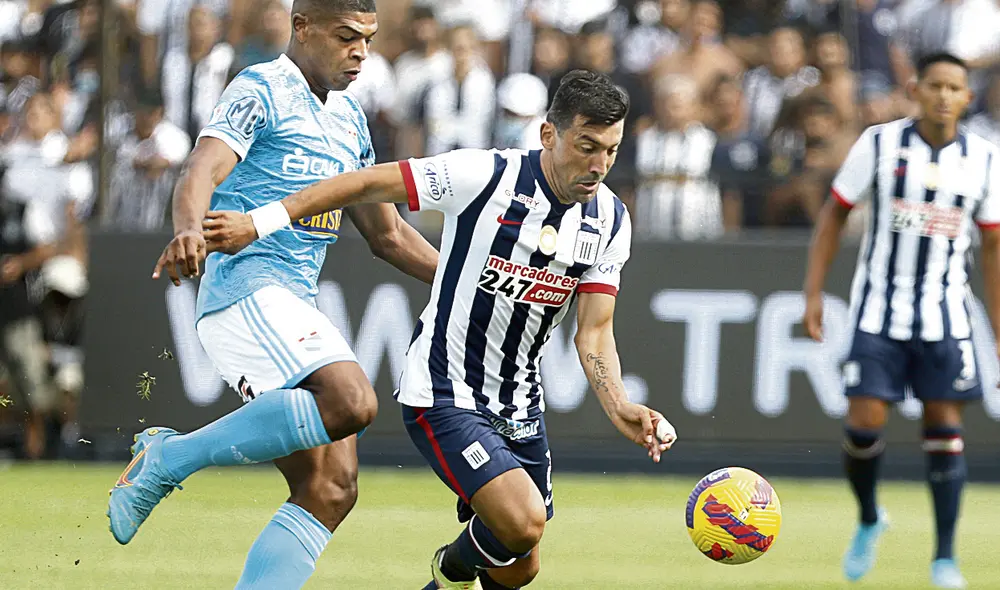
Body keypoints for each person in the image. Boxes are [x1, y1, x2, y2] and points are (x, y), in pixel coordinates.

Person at [201, 69, 678, 590]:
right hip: (444, 389)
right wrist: (261, 221)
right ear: (549, 134)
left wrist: (620, 406)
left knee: (520, 566)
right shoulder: (484, 176)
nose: (599, 165)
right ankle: (450, 569)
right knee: (521, 522)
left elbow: (594, 332)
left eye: (611, 150)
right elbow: (362, 183)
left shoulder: (609, 220)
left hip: (520, 403)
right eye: (587, 147)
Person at [106, 2, 439, 589]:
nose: (360, 52)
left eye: (369, 39)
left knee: (332, 487)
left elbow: (387, 235)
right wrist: (189, 227)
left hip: (292, 304)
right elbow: (200, 170)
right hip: (244, 292)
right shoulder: (261, 87)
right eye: (346, 37)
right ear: (303, 26)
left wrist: (470, 281)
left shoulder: (352, 121)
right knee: (353, 402)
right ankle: (168, 459)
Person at [802, 53, 1000, 590]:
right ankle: (869, 517)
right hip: (878, 311)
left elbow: (994, 247)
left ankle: (944, 559)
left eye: (954, 87)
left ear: (967, 97)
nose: (943, 95)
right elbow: (835, 212)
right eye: (934, 85)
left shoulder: (984, 158)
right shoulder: (880, 143)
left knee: (945, 430)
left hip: (945, 316)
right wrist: (814, 293)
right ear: (915, 89)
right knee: (864, 424)